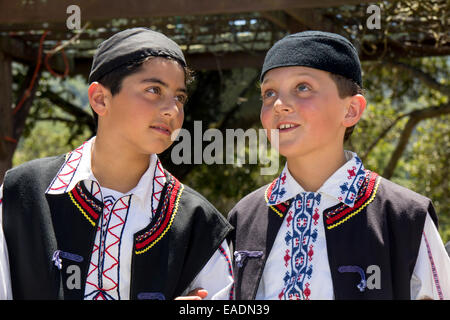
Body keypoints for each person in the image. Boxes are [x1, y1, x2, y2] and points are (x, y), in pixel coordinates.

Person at [0, 28, 234, 300]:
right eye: (153, 90)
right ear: (100, 99)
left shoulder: (200, 224)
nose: (172, 110)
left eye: (179, 97)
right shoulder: (22, 194)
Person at [227, 31, 450, 300]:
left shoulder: (406, 217)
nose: (279, 105)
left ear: (351, 110)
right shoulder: (244, 217)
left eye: (303, 88)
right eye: (269, 93)